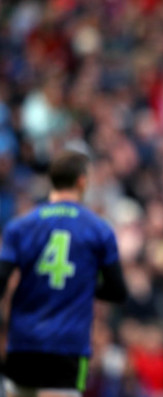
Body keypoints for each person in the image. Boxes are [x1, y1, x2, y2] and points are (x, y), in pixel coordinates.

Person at [0, 150, 128, 397]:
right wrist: (83, 284)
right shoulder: (99, 230)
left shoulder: (20, 226)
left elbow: (1, 280)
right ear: (82, 181)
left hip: (23, 343)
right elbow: (117, 291)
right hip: (68, 345)